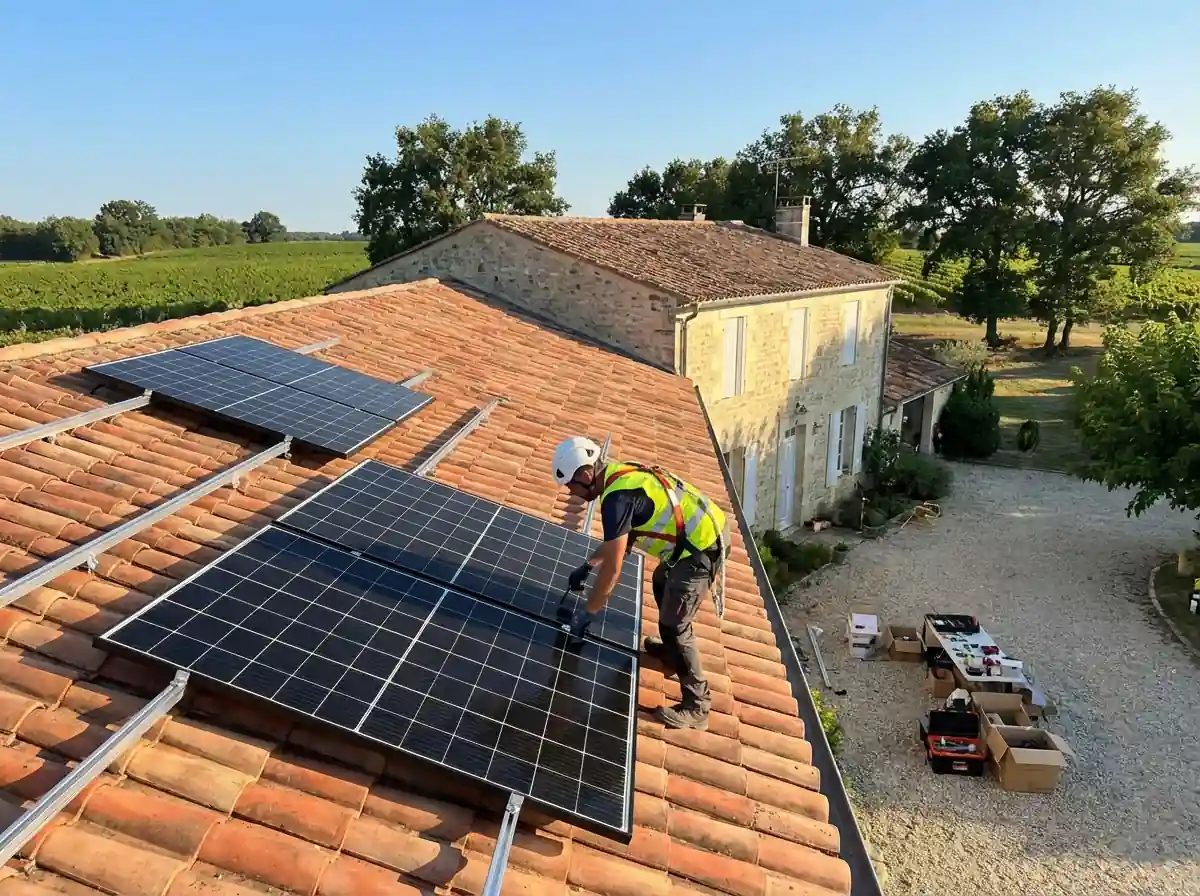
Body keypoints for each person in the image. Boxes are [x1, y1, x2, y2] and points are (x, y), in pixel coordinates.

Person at [551, 435, 729, 731]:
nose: (573, 494)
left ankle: (698, 706)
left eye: (572, 486)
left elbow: (614, 567)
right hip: (694, 539)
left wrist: (588, 612)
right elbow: (617, 543)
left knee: (675, 623)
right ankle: (672, 656)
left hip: (702, 548)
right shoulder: (618, 476)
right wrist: (586, 566)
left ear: (585, 474)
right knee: (662, 582)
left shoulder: (616, 500)